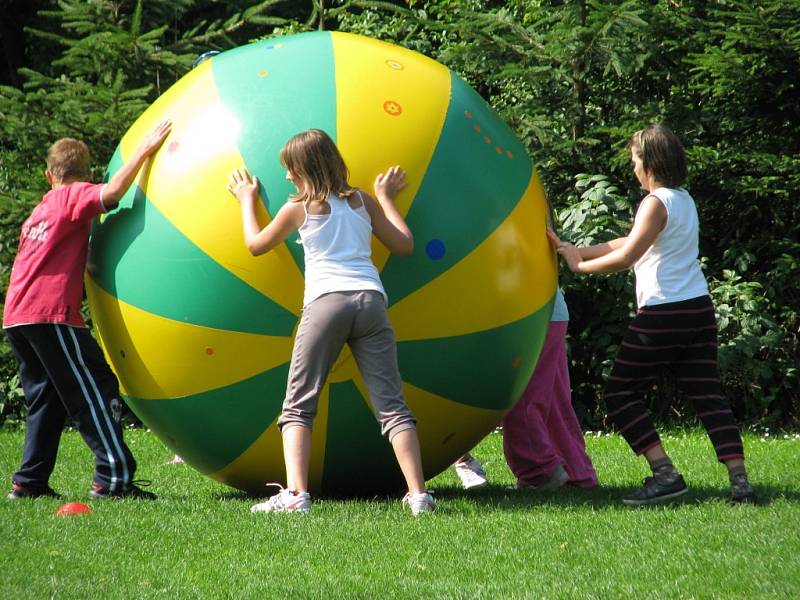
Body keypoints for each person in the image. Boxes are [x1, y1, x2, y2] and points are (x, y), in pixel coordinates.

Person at [227, 129, 435, 516]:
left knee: (297, 405)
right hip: (371, 302)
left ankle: (296, 495)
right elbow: (404, 245)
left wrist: (245, 200)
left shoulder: (298, 208)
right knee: (392, 407)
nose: (287, 177)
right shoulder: (362, 202)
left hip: (327, 304)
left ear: (304, 169)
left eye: (290, 170)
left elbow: (255, 245)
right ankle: (419, 495)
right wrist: (387, 200)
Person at [548, 124, 755, 505]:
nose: (633, 169)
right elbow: (630, 240)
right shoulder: (682, 200)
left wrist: (578, 268)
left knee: (620, 392)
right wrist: (576, 249)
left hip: (664, 312)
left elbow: (628, 256)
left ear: (651, 163)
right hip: (697, 310)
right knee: (709, 395)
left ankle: (665, 474)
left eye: (635, 161)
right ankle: (740, 482)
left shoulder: (655, 202)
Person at [4, 120, 172, 501]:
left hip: (16, 315)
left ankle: (28, 483)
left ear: (49, 174)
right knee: (94, 387)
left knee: (45, 397)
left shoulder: (41, 208)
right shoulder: (71, 195)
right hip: (50, 315)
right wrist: (145, 150)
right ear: (84, 174)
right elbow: (111, 193)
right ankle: (113, 479)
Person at [503, 286, 599, 491]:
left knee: (523, 397)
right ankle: (577, 472)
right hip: (549, 312)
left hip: (530, 314)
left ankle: (540, 473)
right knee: (554, 405)